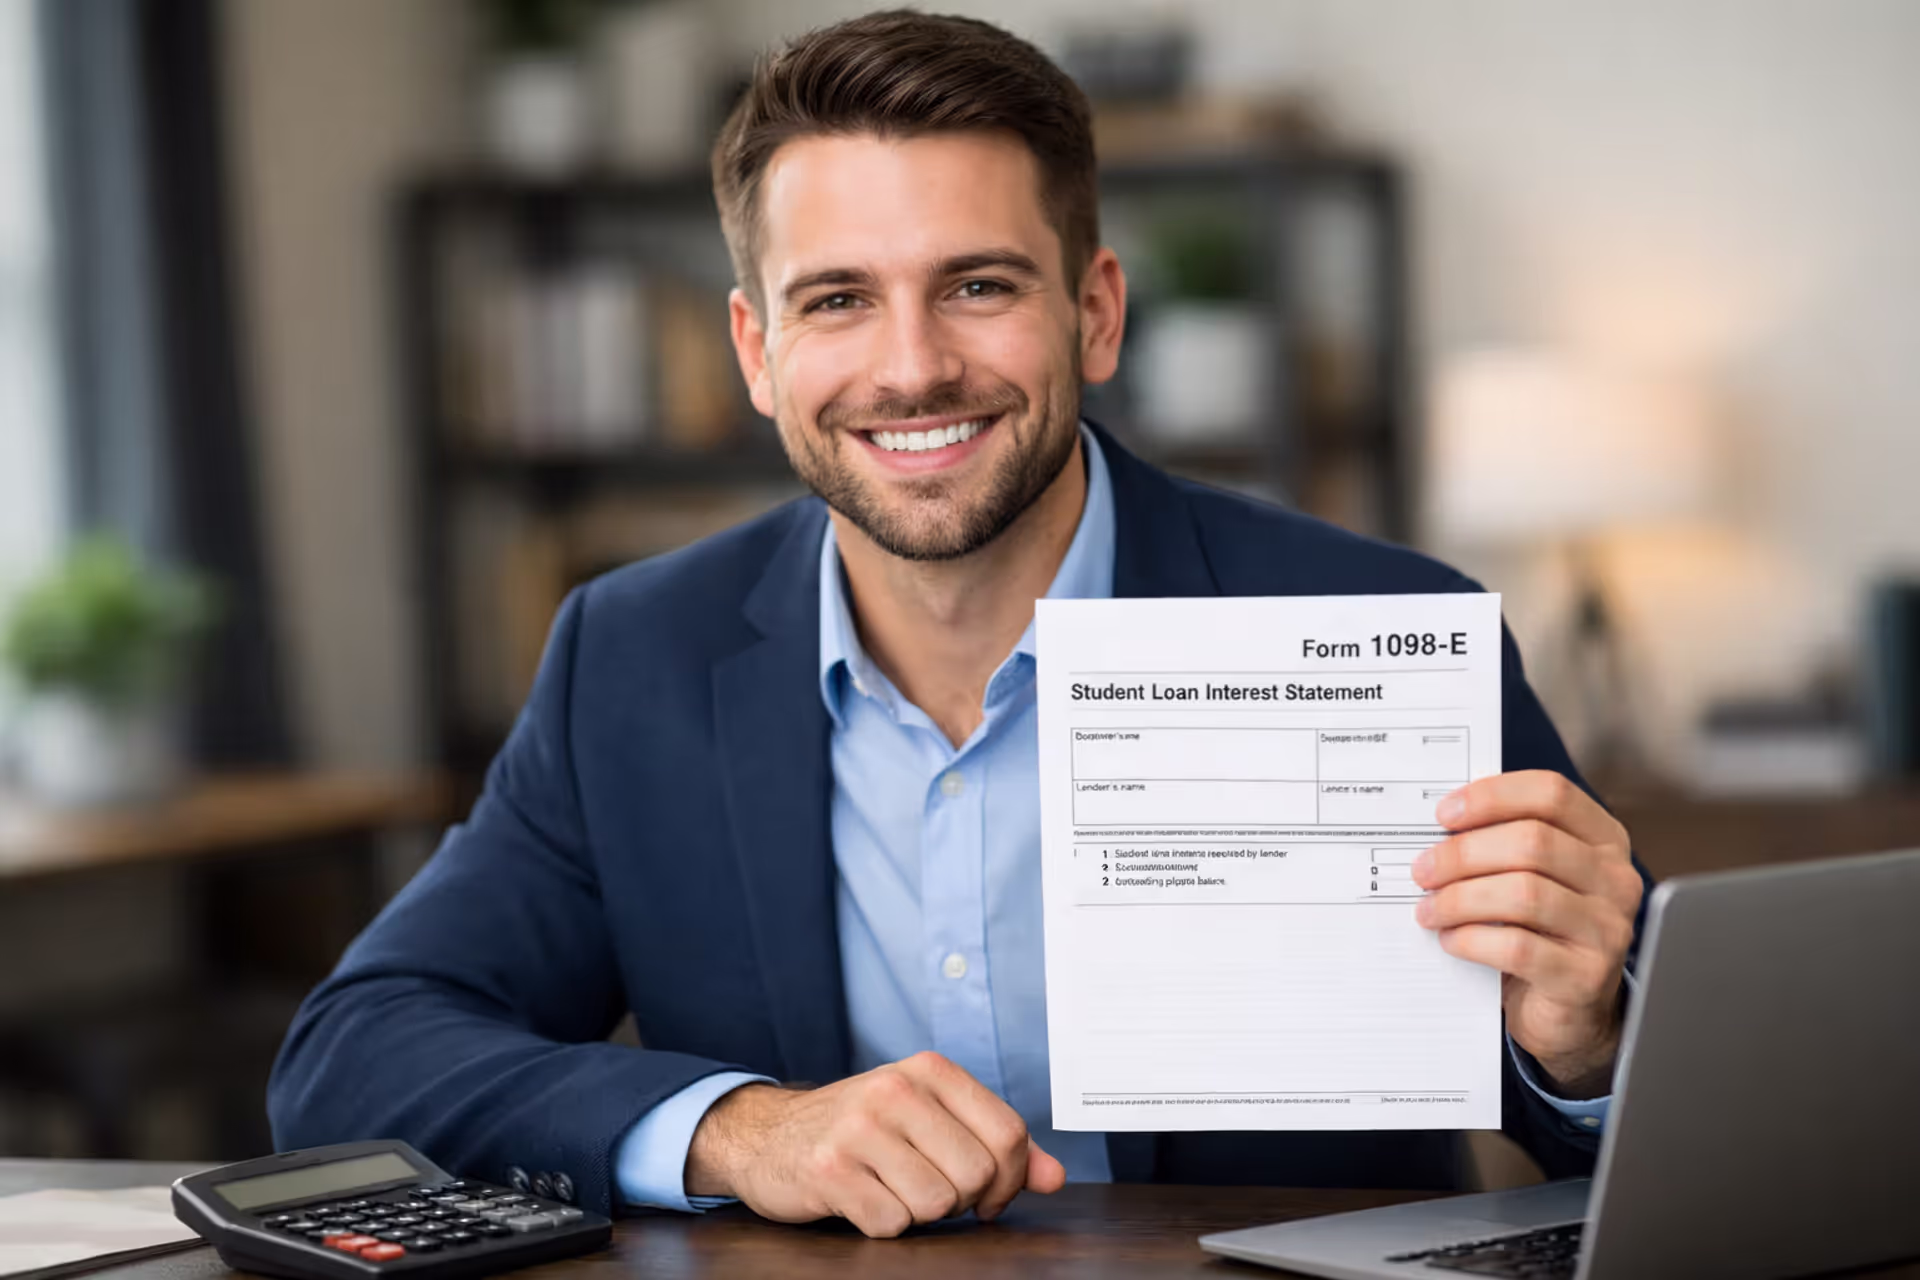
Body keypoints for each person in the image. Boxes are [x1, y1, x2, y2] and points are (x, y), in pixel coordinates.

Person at [269, 8, 1650, 1240]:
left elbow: (1618, 1145)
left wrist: (1580, 1046)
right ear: (758, 353)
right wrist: (743, 1131)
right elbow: (353, 1057)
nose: (913, 364)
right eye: (839, 301)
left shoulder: (1392, 626)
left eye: (977, 286)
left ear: (1094, 315)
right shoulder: (630, 658)